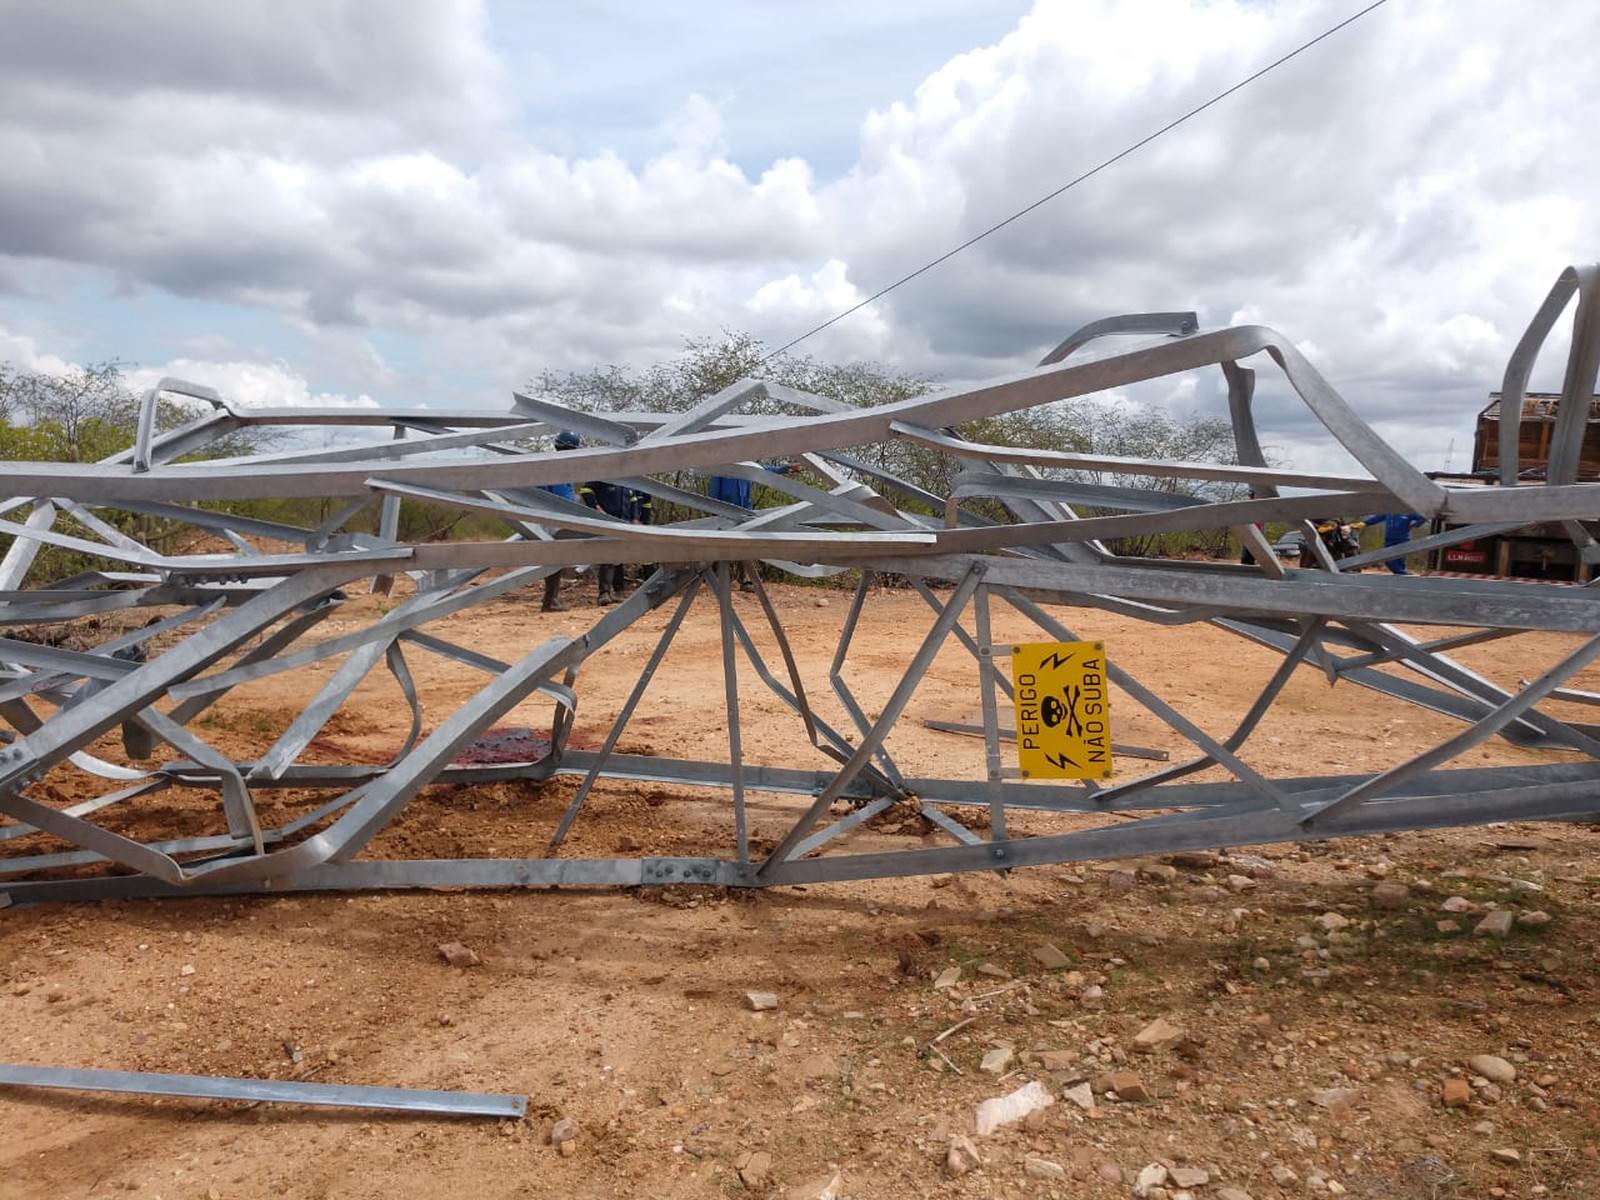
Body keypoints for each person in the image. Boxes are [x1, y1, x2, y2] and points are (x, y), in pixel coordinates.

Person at [709, 462, 796, 592]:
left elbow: (764, 470)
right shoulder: (722, 466)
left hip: (744, 512)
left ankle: (746, 580)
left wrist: (786, 468)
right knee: (722, 546)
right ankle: (716, 579)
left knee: (746, 545)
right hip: (724, 512)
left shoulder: (748, 465)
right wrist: (713, 511)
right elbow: (714, 490)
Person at [538, 430, 582, 612]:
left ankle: (550, 600)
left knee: (553, 558)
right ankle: (550, 601)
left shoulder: (547, 465)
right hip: (555, 519)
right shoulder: (561, 468)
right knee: (556, 559)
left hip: (543, 516)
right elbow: (565, 499)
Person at [578, 477, 636, 604]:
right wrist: (596, 508)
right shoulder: (604, 477)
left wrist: (634, 518)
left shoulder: (628, 481)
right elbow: (585, 490)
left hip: (624, 524)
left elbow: (633, 500)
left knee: (619, 558)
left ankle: (619, 591)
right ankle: (604, 593)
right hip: (607, 523)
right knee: (609, 556)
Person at [1363, 511, 1427, 575]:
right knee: (1387, 558)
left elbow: (1423, 518)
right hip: (1389, 540)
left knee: (1400, 561)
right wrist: (1364, 523)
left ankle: (1402, 577)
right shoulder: (1389, 512)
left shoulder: (1408, 512)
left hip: (1403, 540)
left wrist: (1415, 525)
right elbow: (1376, 518)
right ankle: (1403, 574)